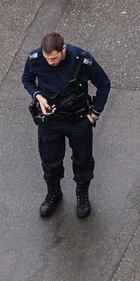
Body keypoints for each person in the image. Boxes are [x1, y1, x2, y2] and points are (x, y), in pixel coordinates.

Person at [22, 31, 111, 219]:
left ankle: (82, 195)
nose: (50, 63)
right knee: (50, 159)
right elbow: (27, 80)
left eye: (54, 58)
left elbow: (104, 84)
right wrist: (38, 96)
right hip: (50, 121)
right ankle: (53, 192)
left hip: (79, 121)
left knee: (83, 160)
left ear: (63, 49)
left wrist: (94, 115)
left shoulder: (82, 60)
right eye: (47, 59)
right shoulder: (35, 58)